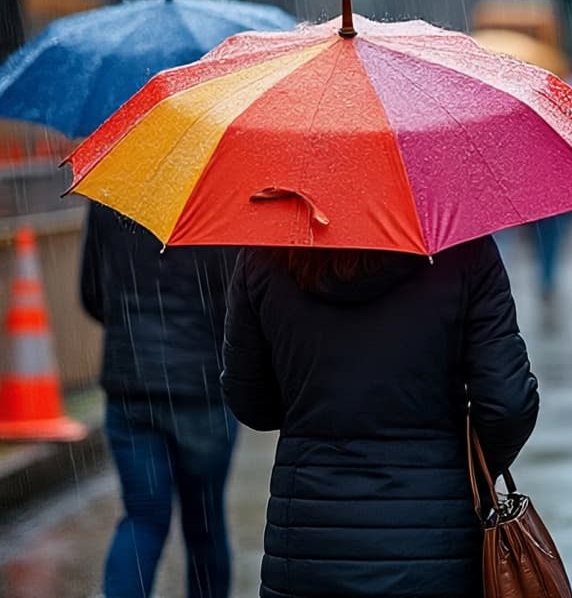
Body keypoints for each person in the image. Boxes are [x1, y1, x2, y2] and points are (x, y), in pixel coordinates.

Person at [221, 237, 539, 598]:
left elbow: (251, 401)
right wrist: (467, 476)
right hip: (434, 549)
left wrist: (311, 404)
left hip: (309, 550)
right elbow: (509, 404)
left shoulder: (266, 252)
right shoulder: (462, 250)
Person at [82, 203, 239, 598]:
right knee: (204, 524)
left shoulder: (114, 193)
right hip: (202, 387)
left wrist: (136, 336)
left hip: (131, 385)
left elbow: (92, 294)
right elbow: (237, 302)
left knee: (143, 519)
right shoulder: (221, 193)